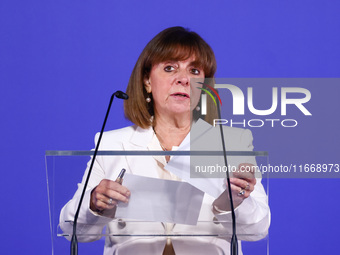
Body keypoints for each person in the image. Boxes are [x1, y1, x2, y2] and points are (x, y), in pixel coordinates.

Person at [60, 26, 270, 255]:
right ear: (147, 80)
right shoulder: (111, 144)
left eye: (195, 71)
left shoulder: (232, 143)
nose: (183, 79)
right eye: (170, 68)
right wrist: (94, 203)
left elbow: (257, 230)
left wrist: (232, 201)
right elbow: (73, 231)